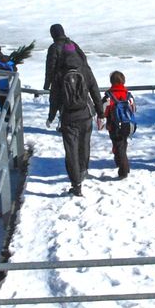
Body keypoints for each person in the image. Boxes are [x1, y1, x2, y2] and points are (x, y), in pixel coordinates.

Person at [44, 23, 103, 196]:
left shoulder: (59, 72)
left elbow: (54, 97)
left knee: (71, 150)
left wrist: (51, 115)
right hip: (86, 113)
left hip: (69, 116)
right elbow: (94, 89)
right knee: (84, 144)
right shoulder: (83, 65)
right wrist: (100, 111)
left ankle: (76, 184)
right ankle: (83, 171)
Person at [101, 70, 136, 179]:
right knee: (123, 143)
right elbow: (133, 109)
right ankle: (120, 161)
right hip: (128, 124)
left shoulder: (108, 96)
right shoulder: (128, 95)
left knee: (118, 145)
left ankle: (124, 169)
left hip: (114, 125)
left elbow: (103, 110)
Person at [0, 39, 33, 111]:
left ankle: (5, 117)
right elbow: (15, 69)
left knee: (2, 101)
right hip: (10, 86)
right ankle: (10, 116)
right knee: (10, 101)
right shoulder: (7, 58)